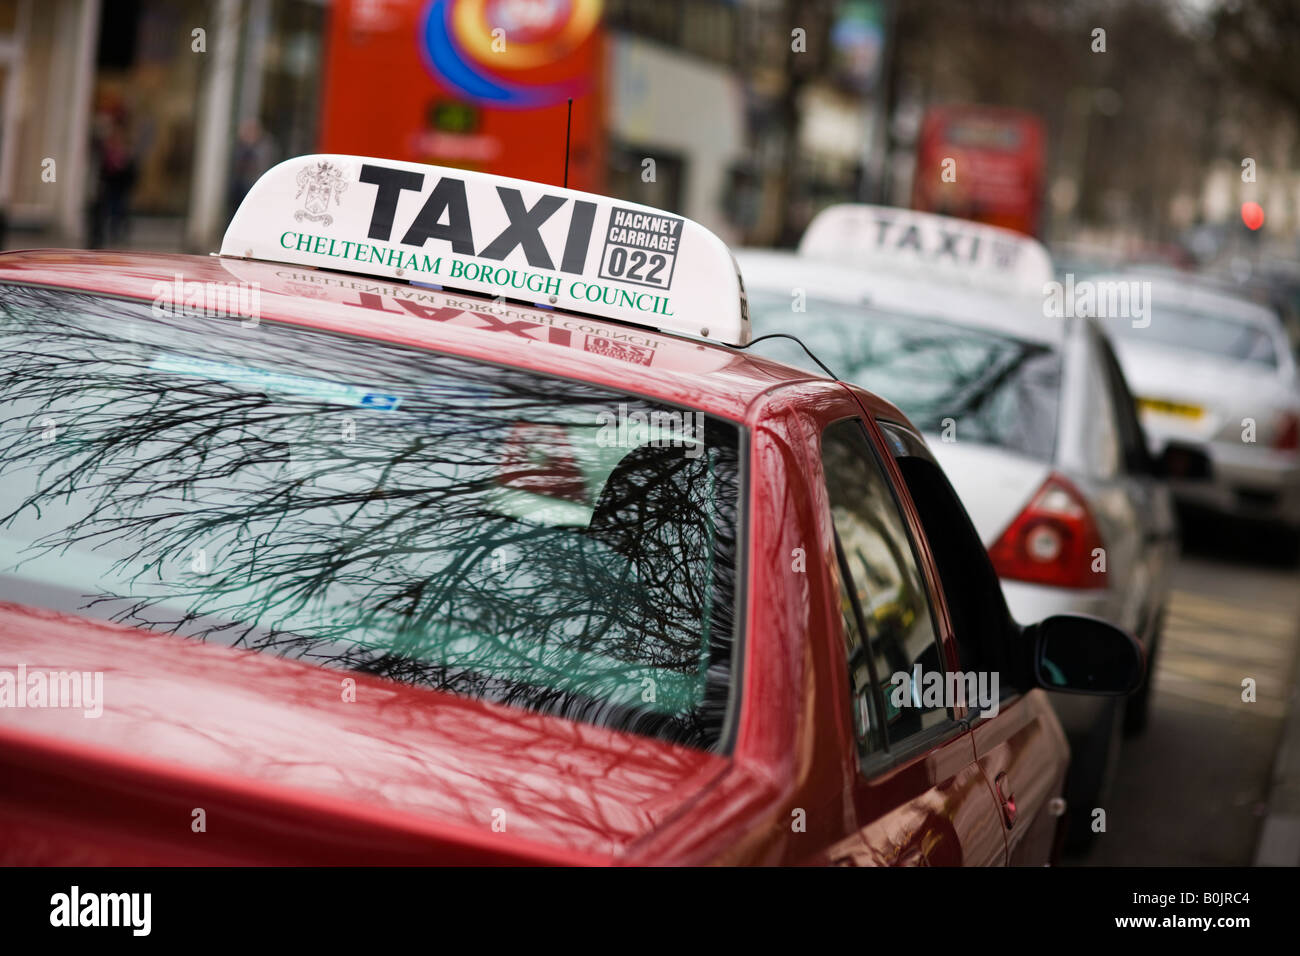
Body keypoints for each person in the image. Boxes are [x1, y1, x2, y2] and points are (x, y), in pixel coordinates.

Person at [87, 108, 138, 249]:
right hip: (109, 185)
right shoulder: (107, 148)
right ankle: (103, 235)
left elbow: (131, 169)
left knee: (118, 209)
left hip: (119, 186)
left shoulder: (124, 150)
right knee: (106, 210)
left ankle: (116, 232)